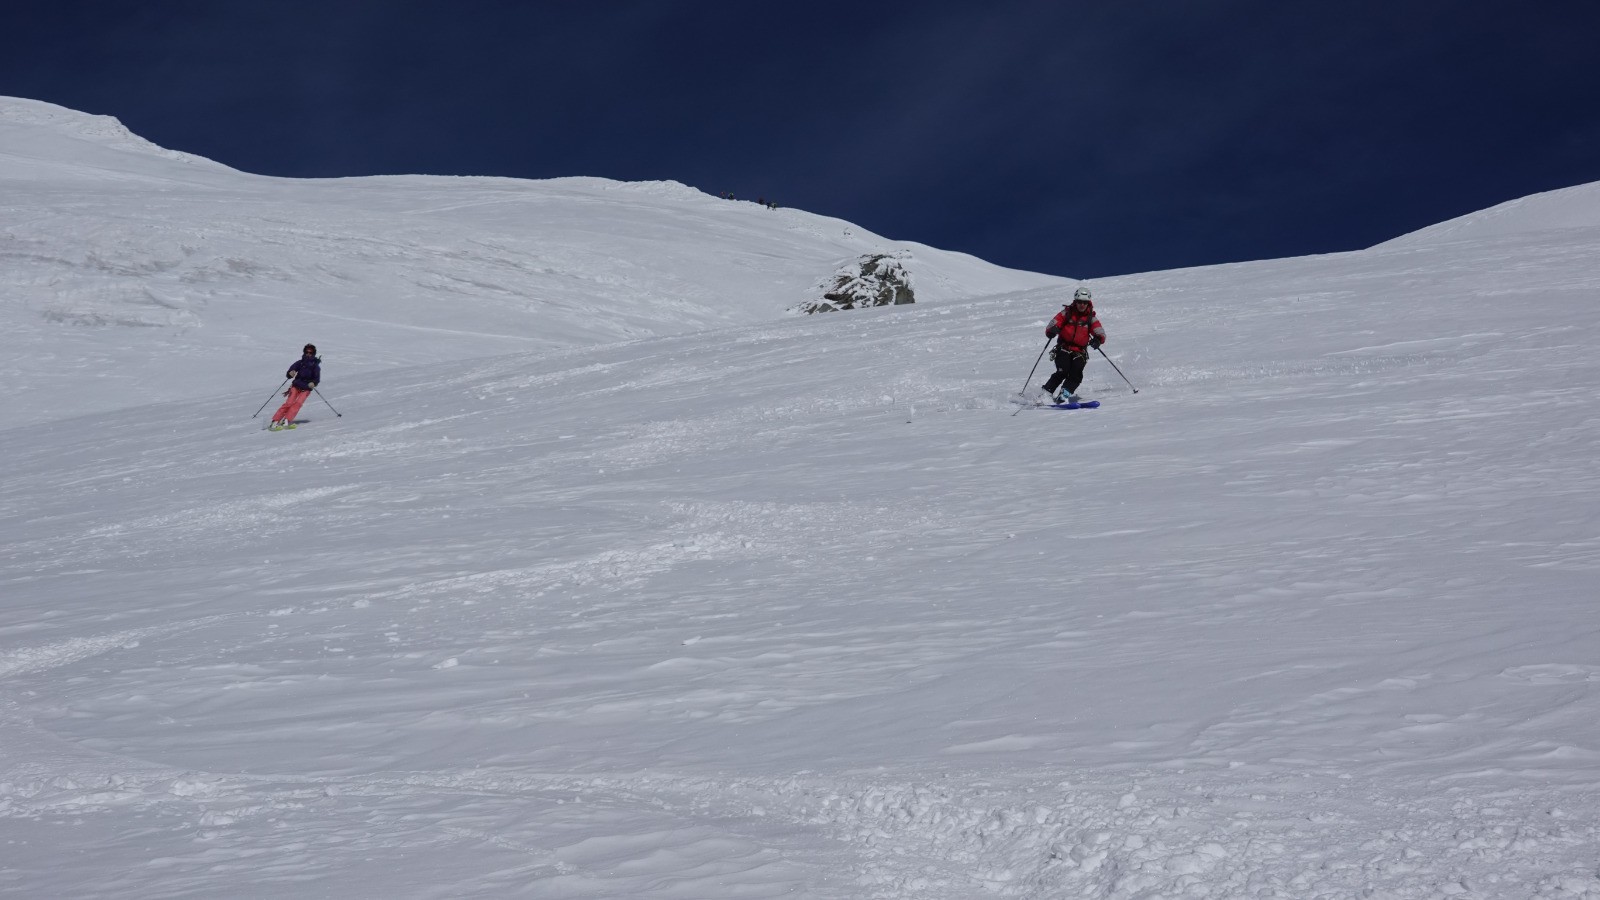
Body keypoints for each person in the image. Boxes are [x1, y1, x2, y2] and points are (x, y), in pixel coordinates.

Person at [1041, 287, 1106, 404]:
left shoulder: (1091, 318)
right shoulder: (1066, 313)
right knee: (1063, 371)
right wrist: (1051, 331)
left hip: (1080, 352)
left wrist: (1098, 340)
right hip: (1063, 349)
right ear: (1075, 301)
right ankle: (1045, 393)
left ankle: (1064, 394)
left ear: (1088, 303)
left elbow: (1100, 332)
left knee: (1076, 374)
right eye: (1079, 302)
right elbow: (1052, 325)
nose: (1082, 305)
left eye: (1084, 302)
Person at [269, 344, 321, 430]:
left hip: (307, 388)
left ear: (313, 354)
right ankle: (275, 421)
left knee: (298, 404)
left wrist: (313, 383)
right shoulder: (300, 363)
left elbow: (317, 379)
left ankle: (286, 421)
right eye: (307, 352)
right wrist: (290, 373)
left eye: (310, 352)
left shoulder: (316, 367)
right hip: (296, 386)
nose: (308, 354)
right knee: (289, 403)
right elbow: (291, 370)